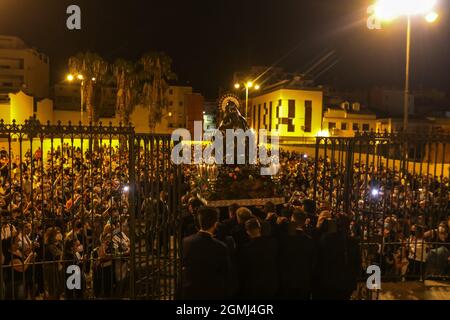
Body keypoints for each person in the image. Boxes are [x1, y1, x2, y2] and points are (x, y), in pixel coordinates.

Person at [182, 207, 231, 300]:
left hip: (191, 290)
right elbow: (225, 273)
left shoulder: (186, 242)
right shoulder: (220, 246)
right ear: (215, 224)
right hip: (212, 291)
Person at [314, 215, 361, 300]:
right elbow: (357, 264)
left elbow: (320, 259)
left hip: (330, 283)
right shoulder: (352, 242)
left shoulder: (327, 239)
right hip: (346, 284)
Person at [278, 210, 317, 300]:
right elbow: (313, 262)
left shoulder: (284, 239)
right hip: (303, 281)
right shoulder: (309, 241)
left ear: (292, 220)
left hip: (286, 281)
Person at [237, 218, 279, 300]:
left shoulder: (245, 249)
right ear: (260, 229)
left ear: (248, 232)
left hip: (254, 285)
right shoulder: (273, 243)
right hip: (271, 283)